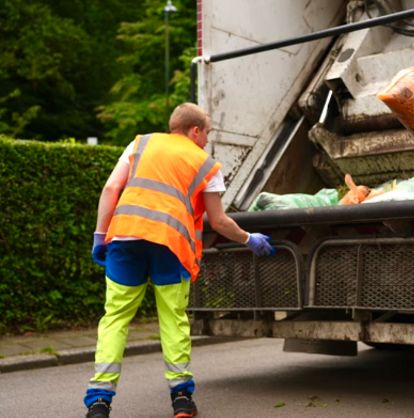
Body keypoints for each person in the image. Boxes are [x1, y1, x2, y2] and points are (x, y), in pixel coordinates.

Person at [84, 103, 275, 418]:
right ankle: (182, 400)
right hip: (171, 247)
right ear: (195, 130)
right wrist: (249, 239)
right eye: (207, 134)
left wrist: (99, 236)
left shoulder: (139, 143)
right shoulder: (206, 165)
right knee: (173, 320)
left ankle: (99, 402)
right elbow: (219, 221)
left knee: (115, 319)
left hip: (125, 240)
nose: (206, 141)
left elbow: (111, 188)